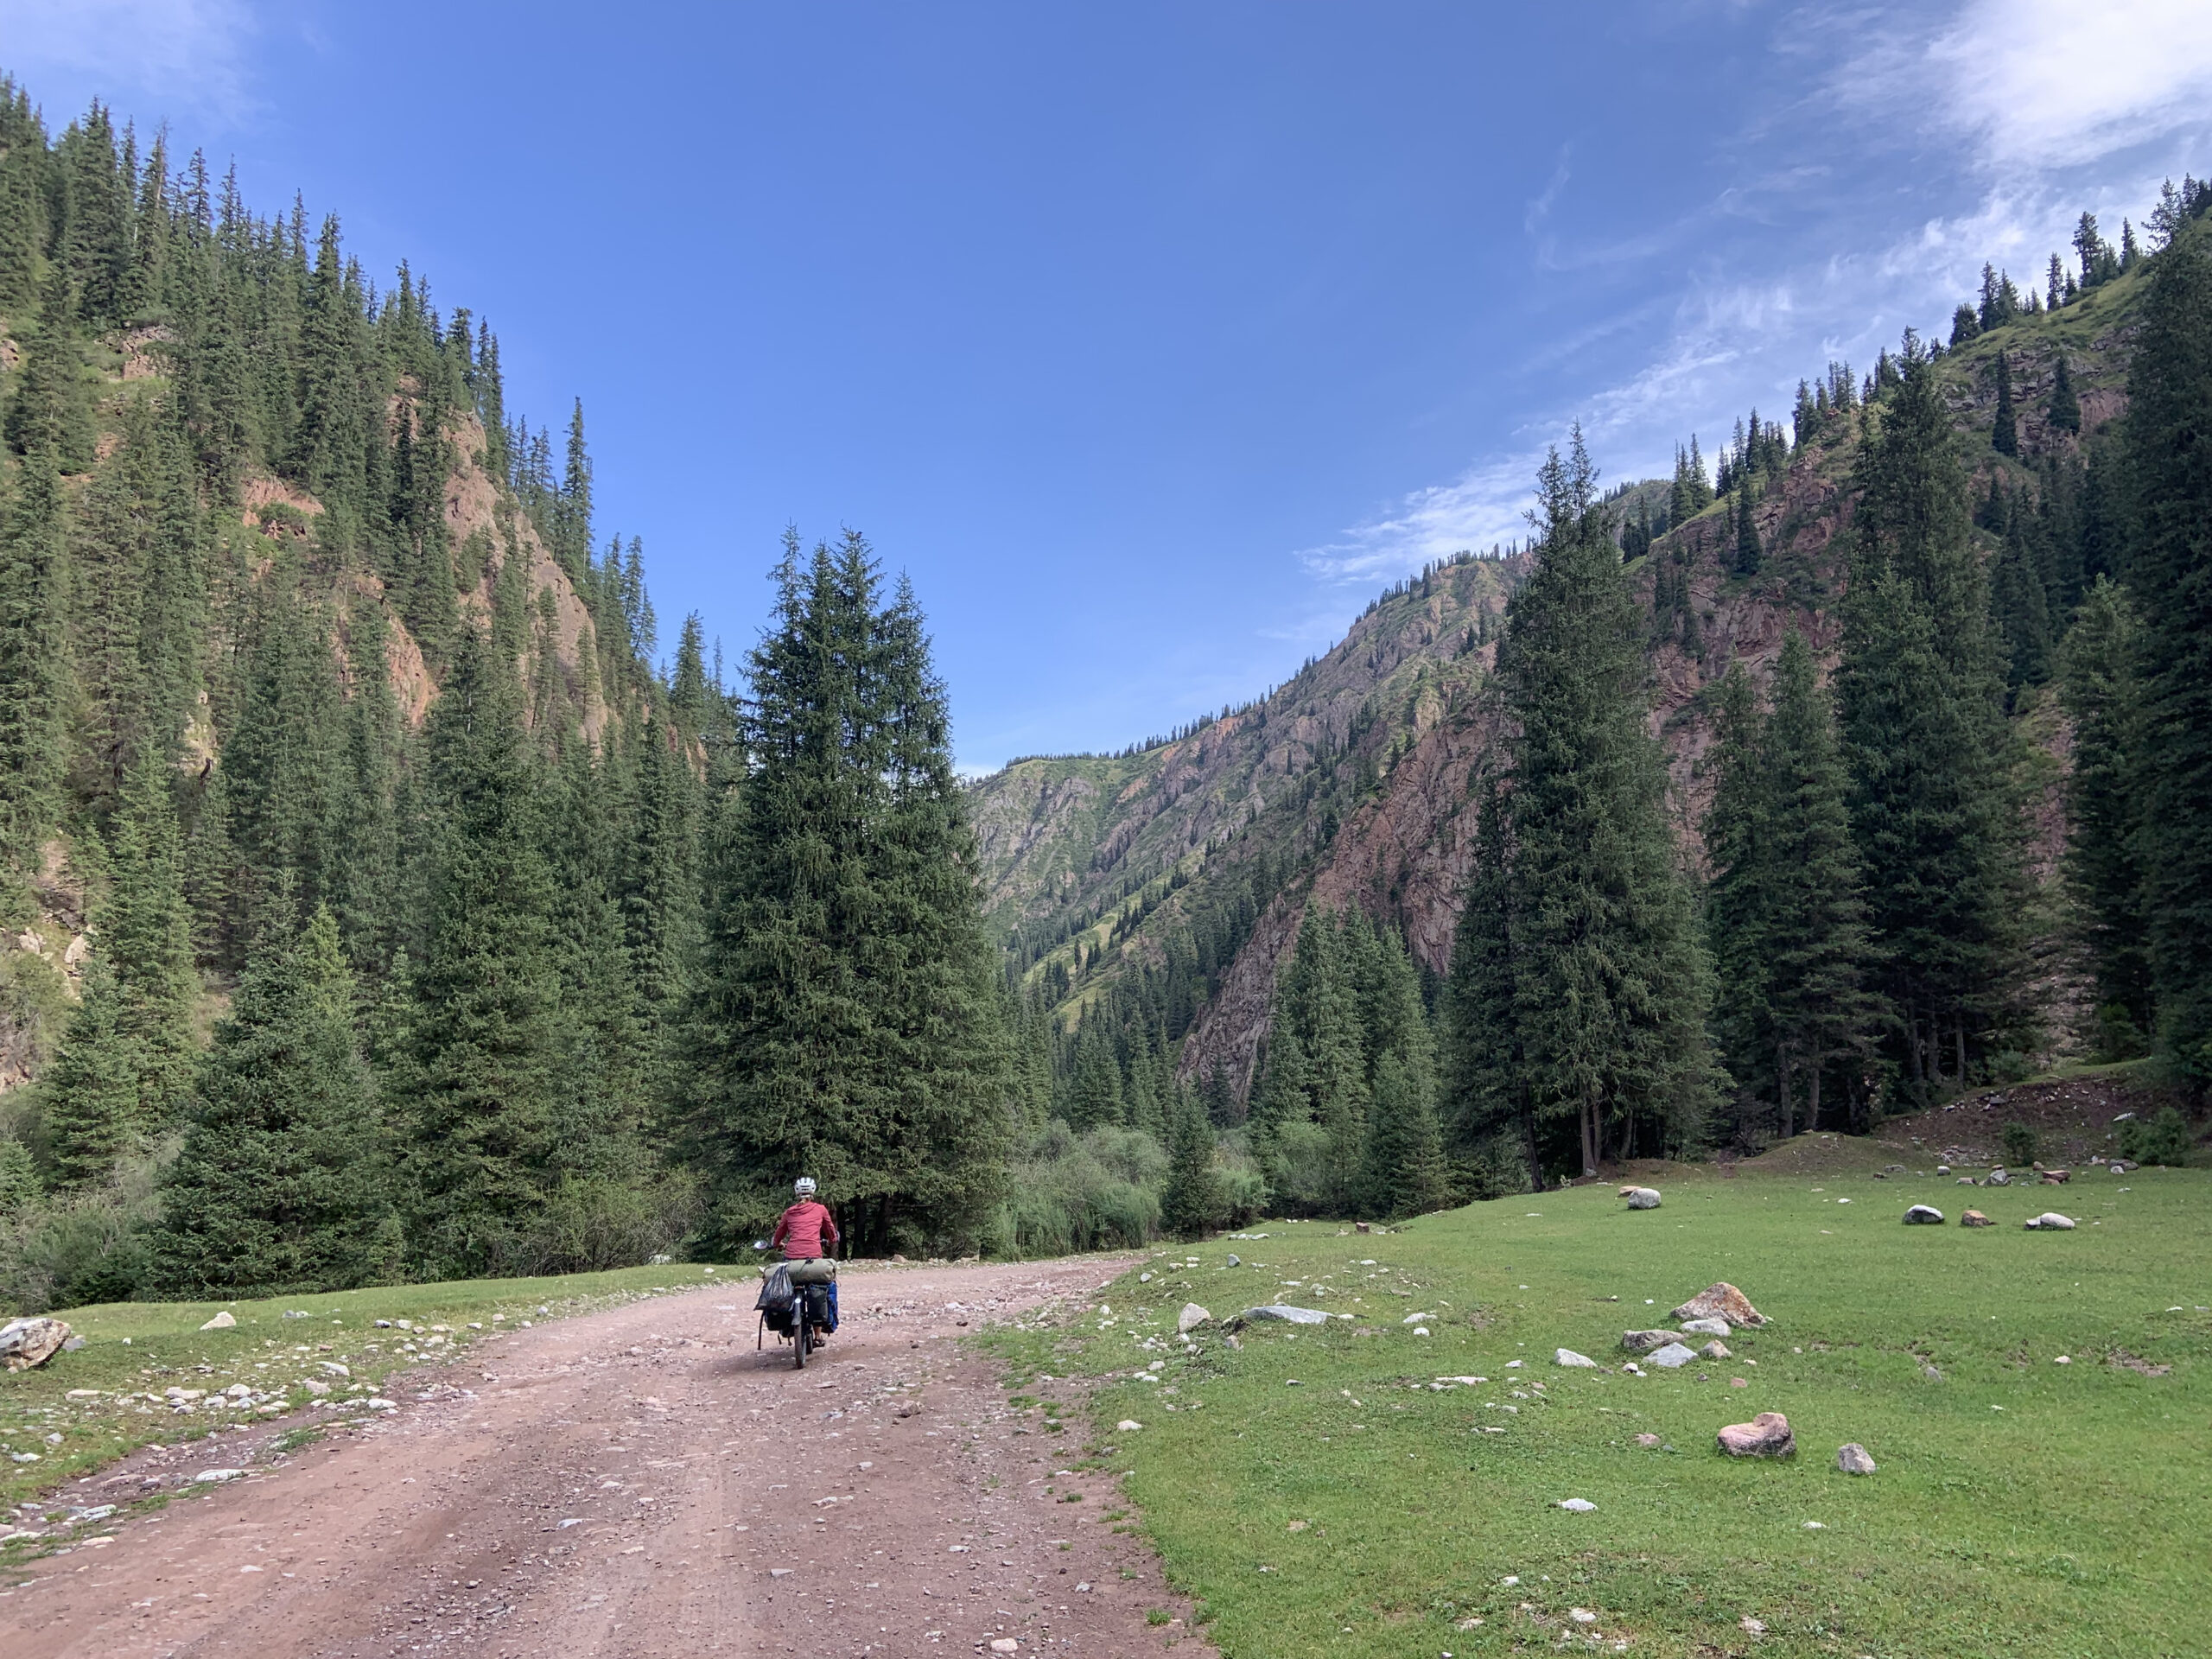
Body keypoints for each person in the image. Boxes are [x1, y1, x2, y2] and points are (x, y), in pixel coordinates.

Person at [770, 1178, 839, 1334]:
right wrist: (832, 1240)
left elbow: (778, 1236)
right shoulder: (820, 1209)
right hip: (813, 1258)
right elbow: (831, 1232)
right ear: (813, 1191)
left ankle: (786, 1325)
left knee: (789, 1289)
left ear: (796, 1192)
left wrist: (777, 1244)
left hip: (791, 1259)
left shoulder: (789, 1212)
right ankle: (818, 1335)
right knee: (820, 1289)